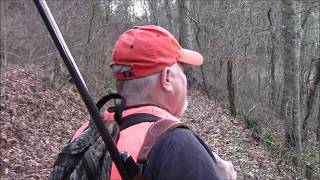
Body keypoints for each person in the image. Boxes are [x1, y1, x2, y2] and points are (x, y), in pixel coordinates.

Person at [72, 25, 236, 180]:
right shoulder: (178, 147)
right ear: (167, 78)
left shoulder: (85, 133)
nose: (185, 78)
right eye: (182, 70)